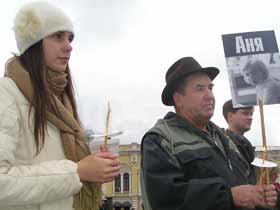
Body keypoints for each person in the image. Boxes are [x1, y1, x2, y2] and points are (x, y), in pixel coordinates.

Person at [0, 2, 120, 210]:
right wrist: (77, 171)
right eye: (58, 36)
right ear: (33, 43)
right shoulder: (6, 94)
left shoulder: (60, 100)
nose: (68, 46)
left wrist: (92, 163)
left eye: (70, 38)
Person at [141, 57, 277, 210]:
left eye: (210, 88)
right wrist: (228, 197)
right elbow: (165, 199)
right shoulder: (160, 139)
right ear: (178, 99)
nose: (210, 96)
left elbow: (246, 183)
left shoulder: (224, 138)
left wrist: (261, 195)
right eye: (199, 89)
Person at [223, 99, 280, 208]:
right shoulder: (224, 146)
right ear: (230, 116)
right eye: (245, 113)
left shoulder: (247, 147)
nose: (250, 117)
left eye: (251, 114)